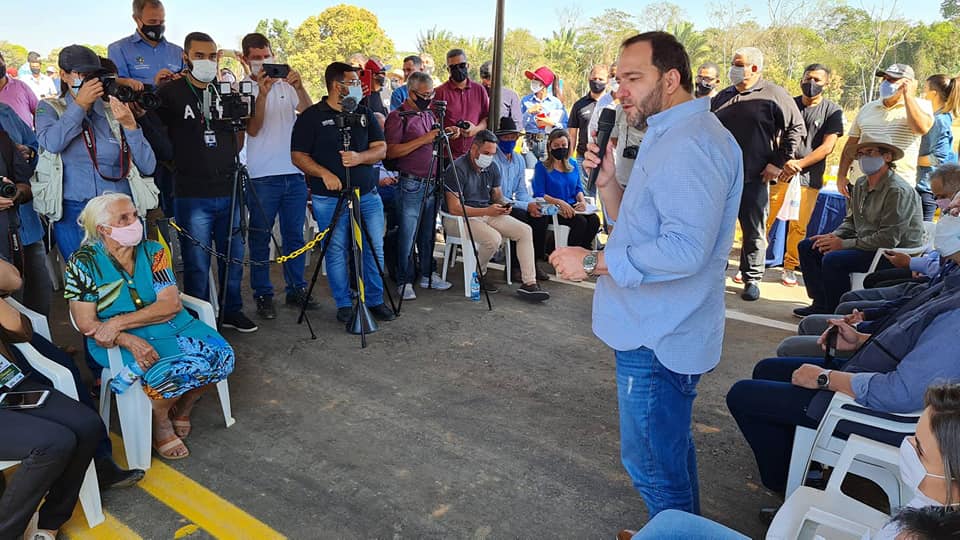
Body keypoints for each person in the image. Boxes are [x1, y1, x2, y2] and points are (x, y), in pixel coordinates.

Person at [550, 32, 743, 518]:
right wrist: (610, 182)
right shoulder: (668, 134)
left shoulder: (690, 144)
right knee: (668, 456)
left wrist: (592, 262)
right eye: (618, 79)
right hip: (656, 327)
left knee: (652, 466)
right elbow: (637, 227)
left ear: (671, 79)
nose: (620, 90)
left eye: (633, 78)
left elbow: (684, 250)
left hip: (658, 336)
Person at [726, 214, 960, 496]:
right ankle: (800, 463)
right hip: (872, 374)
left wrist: (826, 379)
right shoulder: (952, 283)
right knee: (767, 370)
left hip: (882, 413)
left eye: (958, 213)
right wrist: (861, 340)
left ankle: (792, 486)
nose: (950, 217)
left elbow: (900, 393)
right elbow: (910, 335)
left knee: (742, 395)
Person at [65, 193, 235, 460]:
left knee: (221, 358)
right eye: (124, 218)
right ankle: (162, 422)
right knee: (166, 371)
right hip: (117, 340)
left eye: (134, 215)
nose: (135, 222)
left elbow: (170, 305)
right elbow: (87, 322)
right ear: (102, 228)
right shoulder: (83, 262)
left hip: (170, 325)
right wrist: (128, 338)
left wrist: (118, 321)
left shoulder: (154, 251)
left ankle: (179, 409)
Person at [154, 32, 257, 333]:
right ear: (185, 57)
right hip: (191, 192)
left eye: (212, 56)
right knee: (196, 262)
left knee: (233, 256)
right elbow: (155, 136)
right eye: (200, 56)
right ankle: (199, 318)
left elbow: (239, 133)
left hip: (229, 186)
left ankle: (231, 310)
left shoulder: (226, 90)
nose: (207, 62)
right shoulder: (170, 93)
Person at [0, 259, 104, 540]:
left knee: (88, 424)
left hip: (9, 385)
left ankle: (49, 521)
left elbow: (20, 328)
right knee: (55, 442)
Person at [291, 61, 396, 324]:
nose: (359, 86)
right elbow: (298, 156)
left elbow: (381, 148)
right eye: (352, 81)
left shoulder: (364, 112)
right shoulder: (311, 116)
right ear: (337, 86)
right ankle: (344, 304)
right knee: (336, 250)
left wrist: (360, 157)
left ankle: (374, 299)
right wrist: (324, 173)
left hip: (367, 195)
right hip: (329, 198)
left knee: (375, 248)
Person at [35, 45, 157, 262]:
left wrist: (131, 126)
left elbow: (148, 166)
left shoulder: (113, 110)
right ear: (63, 74)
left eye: (94, 75)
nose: (91, 81)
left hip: (118, 210)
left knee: (127, 279)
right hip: (76, 212)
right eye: (82, 75)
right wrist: (80, 105)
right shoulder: (50, 108)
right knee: (86, 283)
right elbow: (52, 143)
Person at [712, 46, 805, 302]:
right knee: (719, 229)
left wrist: (778, 162)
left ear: (754, 68)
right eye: (733, 63)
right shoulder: (723, 96)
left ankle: (752, 277)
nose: (733, 69)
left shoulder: (774, 94)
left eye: (738, 64)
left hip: (755, 176)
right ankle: (716, 273)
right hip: (721, 177)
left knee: (753, 230)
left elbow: (796, 128)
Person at [794, 136, 924, 316]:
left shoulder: (897, 190)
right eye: (860, 154)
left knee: (834, 260)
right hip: (866, 243)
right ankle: (821, 302)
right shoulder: (861, 184)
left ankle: (837, 310)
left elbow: (888, 238)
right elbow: (852, 220)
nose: (864, 159)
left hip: (891, 253)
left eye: (870, 153)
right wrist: (835, 237)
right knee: (809, 246)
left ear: (887, 157)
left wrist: (843, 244)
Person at [238, 32, 316, 320]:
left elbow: (309, 116)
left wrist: (301, 85)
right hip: (262, 176)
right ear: (246, 60)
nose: (263, 62)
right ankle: (263, 294)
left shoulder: (286, 83)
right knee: (260, 238)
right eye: (256, 58)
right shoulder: (244, 86)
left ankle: (296, 289)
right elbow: (253, 129)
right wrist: (262, 93)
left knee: (295, 236)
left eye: (266, 56)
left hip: (293, 173)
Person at [443, 130, 550, 301]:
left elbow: (497, 195)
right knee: (493, 239)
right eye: (486, 153)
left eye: (492, 154)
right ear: (474, 149)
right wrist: (487, 211)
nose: (490, 157)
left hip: (484, 212)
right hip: (458, 218)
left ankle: (529, 283)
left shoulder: (491, 166)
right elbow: (454, 208)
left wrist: (505, 205)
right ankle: (478, 274)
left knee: (524, 231)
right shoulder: (456, 168)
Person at [767, 63, 844, 287]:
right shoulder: (788, 104)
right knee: (766, 218)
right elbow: (776, 134)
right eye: (808, 78)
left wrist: (799, 164)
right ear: (801, 79)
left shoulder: (833, 111)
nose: (812, 83)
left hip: (808, 177)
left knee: (799, 226)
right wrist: (784, 161)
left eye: (818, 80)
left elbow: (827, 146)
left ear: (826, 84)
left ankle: (790, 267)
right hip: (781, 172)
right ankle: (751, 262)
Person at [384, 71, 454, 301]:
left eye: (431, 93)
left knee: (427, 234)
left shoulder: (428, 114)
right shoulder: (398, 116)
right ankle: (404, 279)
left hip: (432, 181)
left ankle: (427, 274)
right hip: (411, 183)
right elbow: (392, 150)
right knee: (407, 234)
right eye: (424, 94)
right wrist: (425, 139)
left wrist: (446, 134)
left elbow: (433, 140)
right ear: (411, 92)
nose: (429, 98)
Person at [837, 64, 933, 197]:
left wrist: (908, 96)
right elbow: (851, 144)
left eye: (893, 80)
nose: (886, 83)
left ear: (908, 83)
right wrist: (841, 175)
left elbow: (921, 128)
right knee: (855, 218)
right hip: (861, 183)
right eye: (885, 79)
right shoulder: (867, 108)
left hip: (897, 186)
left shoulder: (921, 106)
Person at [0, 107, 51, 316]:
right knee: (11, 309)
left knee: (39, 293)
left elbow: (25, 182)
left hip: (23, 228)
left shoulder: (3, 126)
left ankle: (44, 347)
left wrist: (16, 194)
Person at [493, 116, 550, 280]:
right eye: (506, 137)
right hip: (497, 205)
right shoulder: (494, 159)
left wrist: (531, 203)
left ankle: (533, 263)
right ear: (499, 138)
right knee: (520, 216)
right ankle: (514, 267)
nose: (510, 141)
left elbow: (522, 191)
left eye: (513, 137)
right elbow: (498, 197)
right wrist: (526, 206)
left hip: (512, 202)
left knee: (540, 215)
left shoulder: (518, 159)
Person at [533, 129, 600, 250]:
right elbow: (539, 193)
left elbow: (578, 188)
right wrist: (559, 202)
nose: (560, 148)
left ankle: (584, 250)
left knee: (594, 220)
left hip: (572, 206)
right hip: (554, 209)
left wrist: (582, 202)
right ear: (550, 147)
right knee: (580, 222)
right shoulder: (541, 167)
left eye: (564, 145)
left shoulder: (573, 164)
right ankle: (570, 253)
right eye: (556, 145)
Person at [108, 0, 184, 87]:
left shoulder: (178, 51)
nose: (158, 26)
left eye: (161, 22)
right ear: (136, 19)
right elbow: (117, 85)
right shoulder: (118, 49)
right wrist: (153, 82)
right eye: (152, 22)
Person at [916, 74, 960, 220]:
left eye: (925, 89)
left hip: (926, 190)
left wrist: (912, 160)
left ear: (934, 94)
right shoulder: (935, 117)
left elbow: (938, 158)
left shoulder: (940, 120)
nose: (923, 94)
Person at [433, 49, 489, 159]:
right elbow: (432, 122)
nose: (458, 70)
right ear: (448, 69)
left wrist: (475, 129)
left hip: (475, 154)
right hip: (448, 156)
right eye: (453, 67)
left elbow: (486, 118)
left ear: (468, 65)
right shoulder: (439, 92)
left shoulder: (479, 90)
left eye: (462, 65)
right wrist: (447, 131)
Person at [568, 65, 609, 194]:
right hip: (583, 157)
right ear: (589, 79)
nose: (597, 81)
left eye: (601, 79)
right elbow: (572, 134)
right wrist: (569, 159)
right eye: (594, 78)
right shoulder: (579, 105)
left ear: (607, 81)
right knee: (586, 198)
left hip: (607, 159)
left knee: (607, 197)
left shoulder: (613, 104)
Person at [520, 66, 567, 163]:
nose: (533, 82)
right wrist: (528, 112)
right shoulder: (525, 101)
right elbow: (519, 124)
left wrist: (552, 123)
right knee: (530, 174)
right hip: (529, 142)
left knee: (546, 173)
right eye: (533, 79)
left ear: (544, 84)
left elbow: (565, 125)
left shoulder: (556, 103)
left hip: (548, 142)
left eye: (536, 79)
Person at [478, 61, 523, 128]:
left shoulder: (511, 96)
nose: (487, 83)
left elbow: (517, 124)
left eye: (489, 78)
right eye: (485, 78)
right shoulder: (475, 94)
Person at [0, 51, 39, 127]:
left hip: (25, 137)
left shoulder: (21, 86)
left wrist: (38, 131)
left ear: (4, 62)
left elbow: (38, 110)